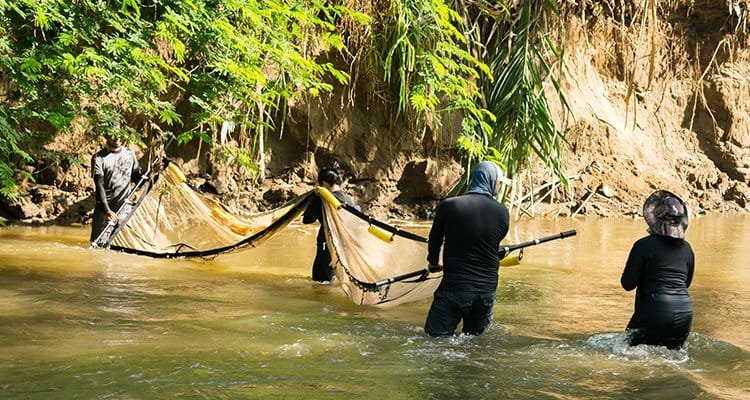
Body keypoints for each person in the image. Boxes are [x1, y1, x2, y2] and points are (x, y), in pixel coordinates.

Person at [424, 161, 511, 337]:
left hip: (455, 287)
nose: (498, 186)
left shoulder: (449, 206)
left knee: (434, 339)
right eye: (498, 183)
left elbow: (435, 240)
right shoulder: (502, 212)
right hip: (486, 292)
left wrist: (434, 263)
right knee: (473, 343)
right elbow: (489, 245)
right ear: (492, 182)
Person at [621, 190, 694, 350]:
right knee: (674, 359)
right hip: (684, 313)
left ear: (654, 219)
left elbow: (627, 283)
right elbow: (685, 283)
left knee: (627, 351)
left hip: (655, 310)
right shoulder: (687, 249)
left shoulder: (643, 245)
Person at [303, 161, 359, 282]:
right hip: (346, 245)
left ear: (323, 183)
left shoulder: (322, 200)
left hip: (327, 243)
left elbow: (307, 219)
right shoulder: (349, 201)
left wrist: (314, 198)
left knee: (320, 282)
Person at [90, 134, 141, 244]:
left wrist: (138, 190)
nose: (117, 138)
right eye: (113, 135)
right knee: (99, 246)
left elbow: (137, 177)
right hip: (105, 211)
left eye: (119, 134)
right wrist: (107, 211)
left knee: (123, 245)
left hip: (125, 209)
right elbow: (99, 187)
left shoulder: (130, 154)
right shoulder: (98, 158)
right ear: (106, 135)